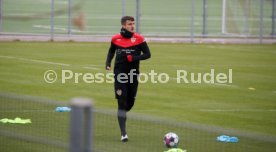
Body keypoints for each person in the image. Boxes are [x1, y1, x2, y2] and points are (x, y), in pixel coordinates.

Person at [105, 16, 151, 142]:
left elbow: (148, 54)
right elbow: (111, 51)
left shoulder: (139, 39)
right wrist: (108, 62)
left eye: (133, 23)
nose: (132, 26)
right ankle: (123, 133)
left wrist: (134, 58)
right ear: (123, 25)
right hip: (120, 75)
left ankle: (122, 114)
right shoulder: (115, 38)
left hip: (133, 75)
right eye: (130, 24)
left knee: (129, 103)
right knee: (122, 102)